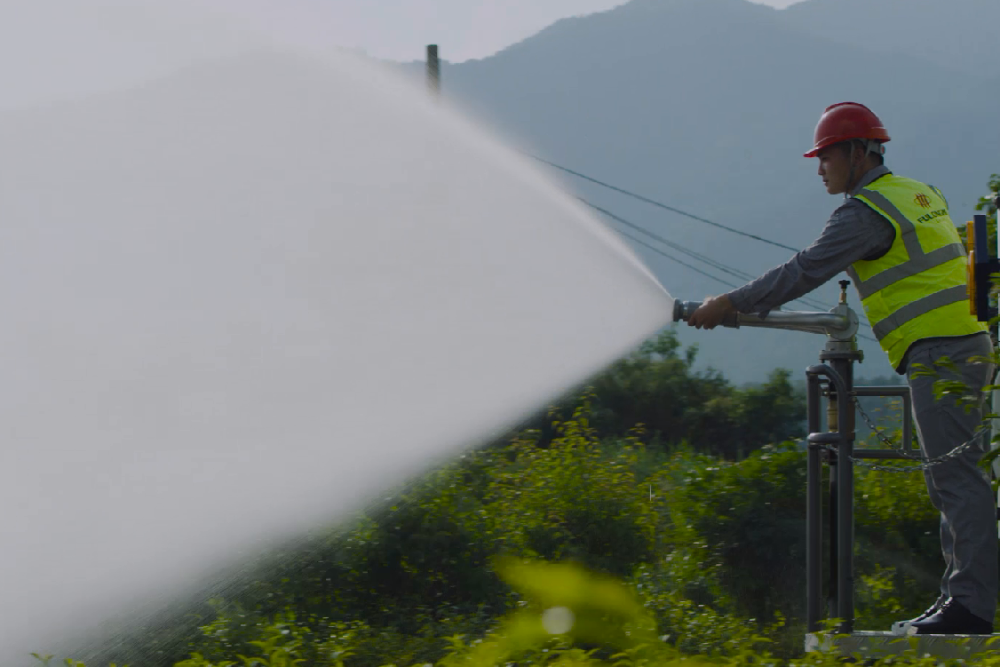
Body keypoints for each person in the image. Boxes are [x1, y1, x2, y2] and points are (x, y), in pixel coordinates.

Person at [688, 102, 997, 635]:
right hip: (963, 344)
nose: (819, 168)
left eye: (826, 155)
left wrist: (730, 303)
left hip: (938, 350)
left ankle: (970, 607)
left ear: (858, 153)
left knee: (956, 478)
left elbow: (804, 270)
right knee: (954, 476)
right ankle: (960, 598)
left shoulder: (865, 213)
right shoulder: (919, 192)